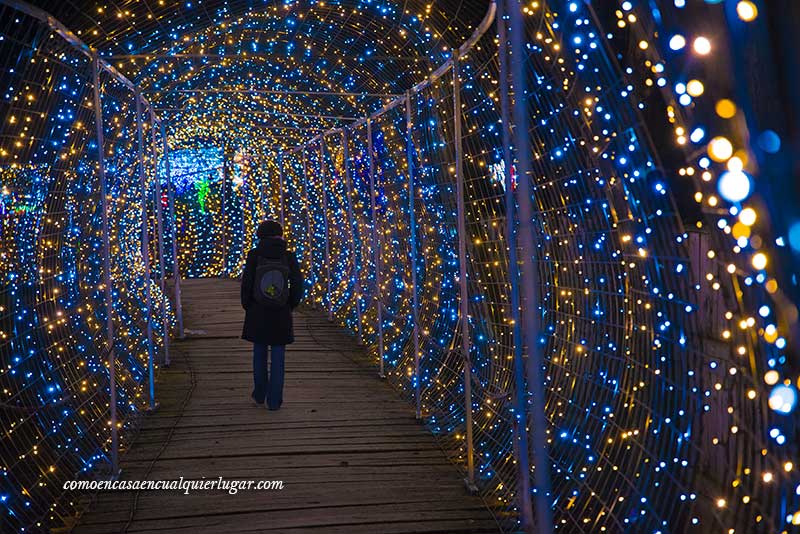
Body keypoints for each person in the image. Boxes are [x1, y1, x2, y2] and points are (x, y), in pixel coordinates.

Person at [240, 220, 303, 410]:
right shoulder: (288, 256)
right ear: (280, 235)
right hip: (281, 312)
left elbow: (247, 284)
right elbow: (298, 285)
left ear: (260, 236)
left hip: (258, 310)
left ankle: (260, 393)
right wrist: (290, 304)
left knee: (259, 353)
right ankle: (274, 401)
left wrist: (248, 306)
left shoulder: (254, 255)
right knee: (278, 356)